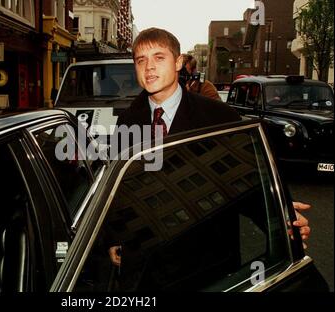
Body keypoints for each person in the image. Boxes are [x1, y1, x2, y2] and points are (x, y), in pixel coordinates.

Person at [109, 27, 311, 267]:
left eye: (159, 57)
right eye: (141, 60)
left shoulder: (220, 117)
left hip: (206, 261)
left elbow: (248, 182)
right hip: (147, 262)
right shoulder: (127, 121)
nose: (149, 67)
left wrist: (282, 220)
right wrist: (115, 238)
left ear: (178, 62)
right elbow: (119, 190)